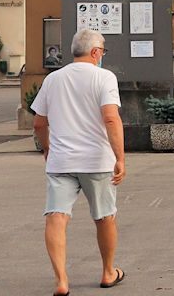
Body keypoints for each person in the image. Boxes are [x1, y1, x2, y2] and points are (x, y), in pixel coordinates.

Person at [32, 28, 126, 294]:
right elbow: (110, 118)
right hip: (96, 161)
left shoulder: (53, 79)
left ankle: (61, 279)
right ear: (96, 52)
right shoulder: (104, 77)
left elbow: (39, 122)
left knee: (56, 217)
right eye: (102, 51)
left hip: (61, 161)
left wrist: (48, 148)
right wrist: (120, 157)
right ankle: (108, 272)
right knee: (105, 216)